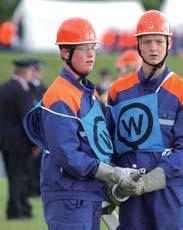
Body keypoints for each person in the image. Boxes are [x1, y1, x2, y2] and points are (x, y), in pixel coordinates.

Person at [23, 17, 138, 229]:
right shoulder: (60, 95)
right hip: (68, 198)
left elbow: (97, 146)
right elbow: (68, 156)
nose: (91, 54)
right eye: (84, 48)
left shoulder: (88, 92)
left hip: (87, 195)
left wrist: (109, 180)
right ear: (65, 53)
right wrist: (112, 173)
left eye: (93, 47)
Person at [107, 10, 183, 229]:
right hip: (131, 197)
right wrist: (113, 179)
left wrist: (149, 182)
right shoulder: (118, 91)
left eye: (159, 41)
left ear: (169, 44)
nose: (153, 48)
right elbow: (108, 145)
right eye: (147, 41)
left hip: (169, 193)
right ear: (138, 44)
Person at [0, 59, 37, 219]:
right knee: (20, 177)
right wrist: (35, 141)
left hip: (5, 141)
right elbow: (27, 118)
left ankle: (19, 209)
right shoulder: (22, 90)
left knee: (14, 176)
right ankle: (16, 211)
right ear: (26, 72)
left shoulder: (3, 88)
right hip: (20, 142)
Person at [27, 59, 47, 197]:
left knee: (41, 162)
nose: (37, 73)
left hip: (42, 129)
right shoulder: (27, 87)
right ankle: (31, 188)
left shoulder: (43, 88)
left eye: (39, 70)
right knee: (30, 161)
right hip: (30, 128)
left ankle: (38, 187)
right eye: (35, 70)